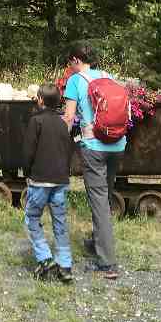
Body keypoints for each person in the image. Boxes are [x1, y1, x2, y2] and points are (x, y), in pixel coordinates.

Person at [62, 41, 123, 280]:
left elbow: (68, 117)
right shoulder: (109, 76)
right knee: (105, 196)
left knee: (98, 201)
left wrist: (56, 141)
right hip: (117, 145)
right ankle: (97, 242)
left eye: (69, 62)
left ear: (76, 60)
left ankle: (107, 263)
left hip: (94, 147)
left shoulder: (76, 81)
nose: (69, 67)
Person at [22, 83, 74, 283]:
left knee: (32, 219)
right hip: (60, 181)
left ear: (40, 100)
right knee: (60, 223)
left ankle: (45, 259)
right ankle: (65, 266)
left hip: (40, 180)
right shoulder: (63, 124)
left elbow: (28, 151)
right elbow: (68, 151)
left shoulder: (36, 121)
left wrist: (27, 172)